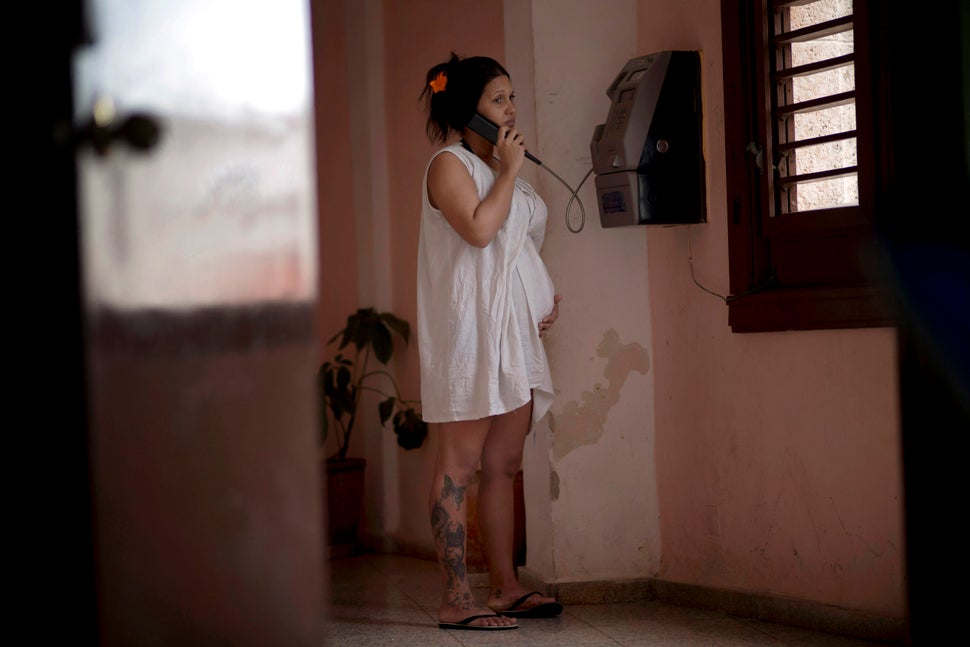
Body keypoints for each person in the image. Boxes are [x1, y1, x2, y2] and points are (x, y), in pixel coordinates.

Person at [416, 52, 564, 631]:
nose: (510, 109)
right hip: (469, 338)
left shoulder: (511, 180)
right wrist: (507, 171)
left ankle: (505, 587)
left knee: (504, 463)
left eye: (511, 98)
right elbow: (479, 231)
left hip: (514, 338)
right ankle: (456, 597)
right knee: (460, 463)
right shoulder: (449, 165)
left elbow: (516, 252)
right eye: (498, 99)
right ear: (468, 110)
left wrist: (540, 299)